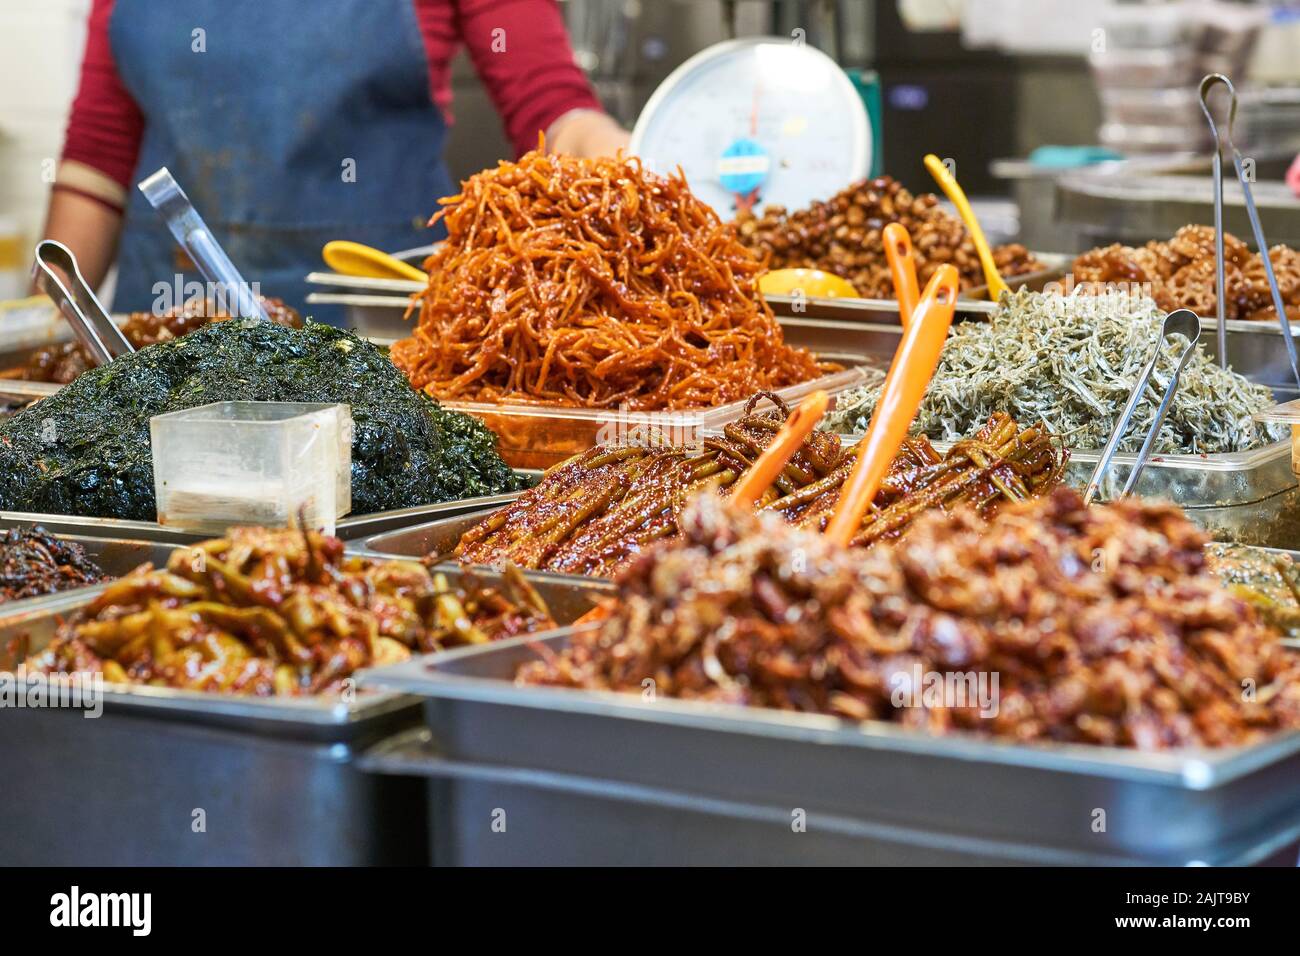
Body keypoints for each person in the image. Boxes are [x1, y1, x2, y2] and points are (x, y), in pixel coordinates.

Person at [42, 0, 629, 319]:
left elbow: (553, 112)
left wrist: (641, 170)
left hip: (379, 344)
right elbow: (97, 162)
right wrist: (38, 327)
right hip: (164, 341)